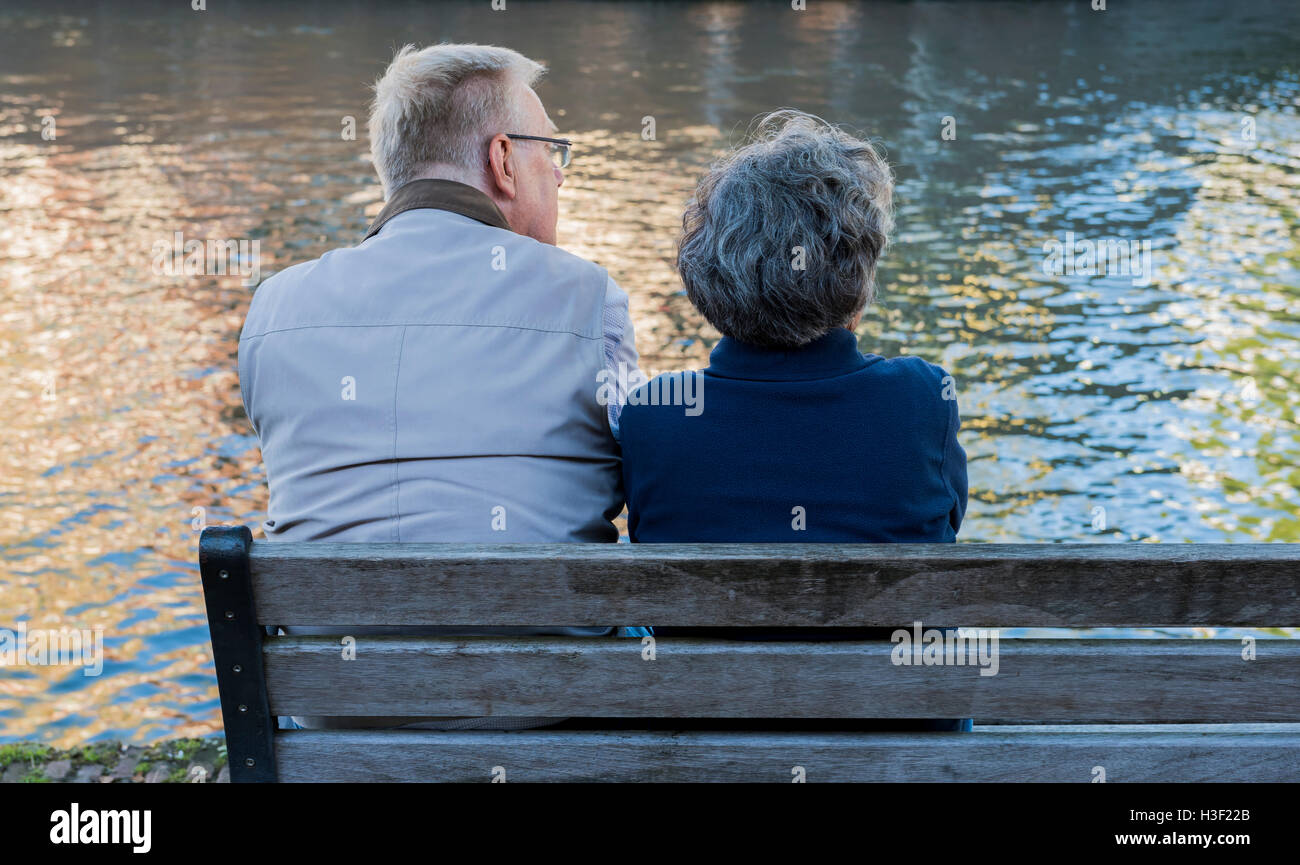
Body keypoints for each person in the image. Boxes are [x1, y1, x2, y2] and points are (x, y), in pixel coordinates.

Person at [238, 43, 647, 729]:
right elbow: (645, 483)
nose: (560, 176)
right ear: (505, 161)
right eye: (555, 153)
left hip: (339, 728)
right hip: (548, 726)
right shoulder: (585, 297)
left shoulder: (274, 310)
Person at [619, 109, 971, 731]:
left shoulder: (655, 414)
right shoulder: (921, 398)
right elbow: (943, 523)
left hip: (710, 750)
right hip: (902, 749)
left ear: (707, 270)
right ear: (857, 272)